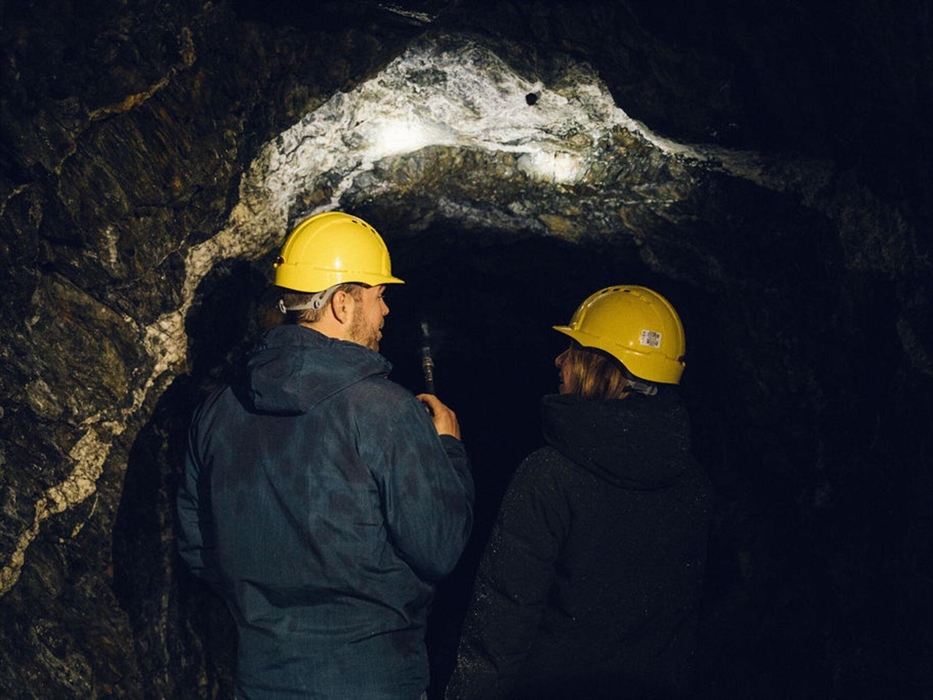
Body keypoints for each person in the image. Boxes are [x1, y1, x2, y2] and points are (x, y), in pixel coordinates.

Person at [177, 211, 474, 700]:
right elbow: (439, 547)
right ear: (342, 302)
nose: (385, 313)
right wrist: (449, 448)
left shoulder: (217, 410)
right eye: (379, 297)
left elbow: (197, 547)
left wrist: (267, 608)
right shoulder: (385, 412)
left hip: (261, 680)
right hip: (374, 680)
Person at [445, 285, 711, 700]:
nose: (559, 360)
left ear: (599, 365)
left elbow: (503, 619)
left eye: (572, 349)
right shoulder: (691, 482)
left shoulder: (549, 477)